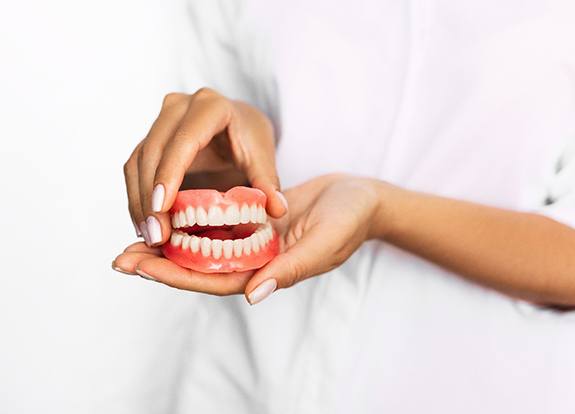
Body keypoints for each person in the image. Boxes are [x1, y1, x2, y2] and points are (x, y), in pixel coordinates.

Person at [113, 1, 575, 412]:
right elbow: (228, 172)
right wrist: (221, 150)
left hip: (459, 387)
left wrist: (383, 210)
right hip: (240, 383)